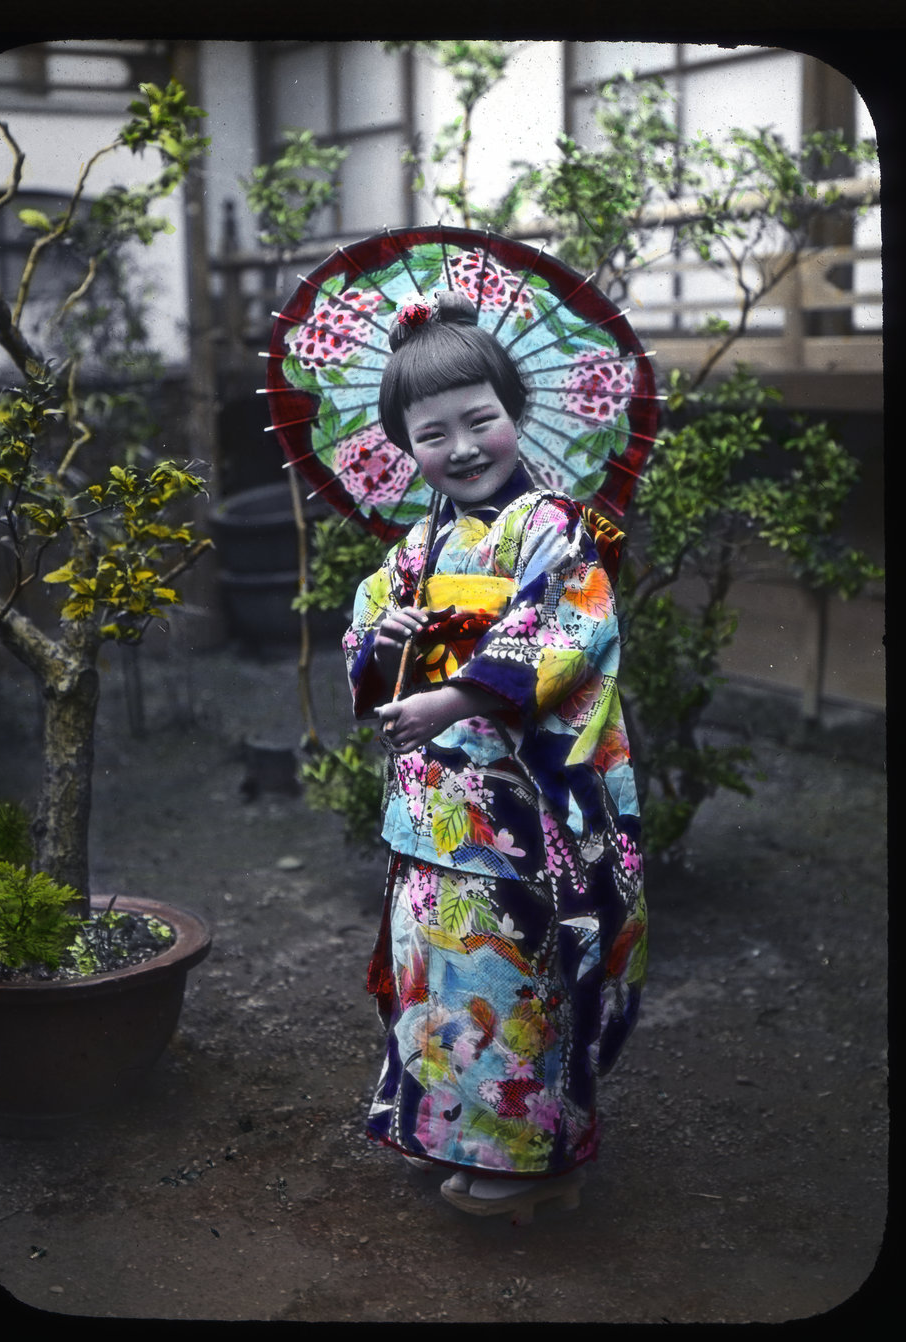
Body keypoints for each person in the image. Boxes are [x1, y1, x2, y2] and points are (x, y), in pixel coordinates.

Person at [342, 290, 647, 1221]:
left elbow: (566, 631)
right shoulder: (415, 547)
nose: (463, 447)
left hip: (521, 810)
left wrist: (451, 696)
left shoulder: (554, 528)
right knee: (439, 973)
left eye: (481, 420)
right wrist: (385, 631)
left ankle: (535, 1162)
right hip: (435, 809)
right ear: (406, 445)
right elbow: (369, 644)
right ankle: (460, 1139)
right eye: (433, 434)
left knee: (517, 976)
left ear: (516, 413)